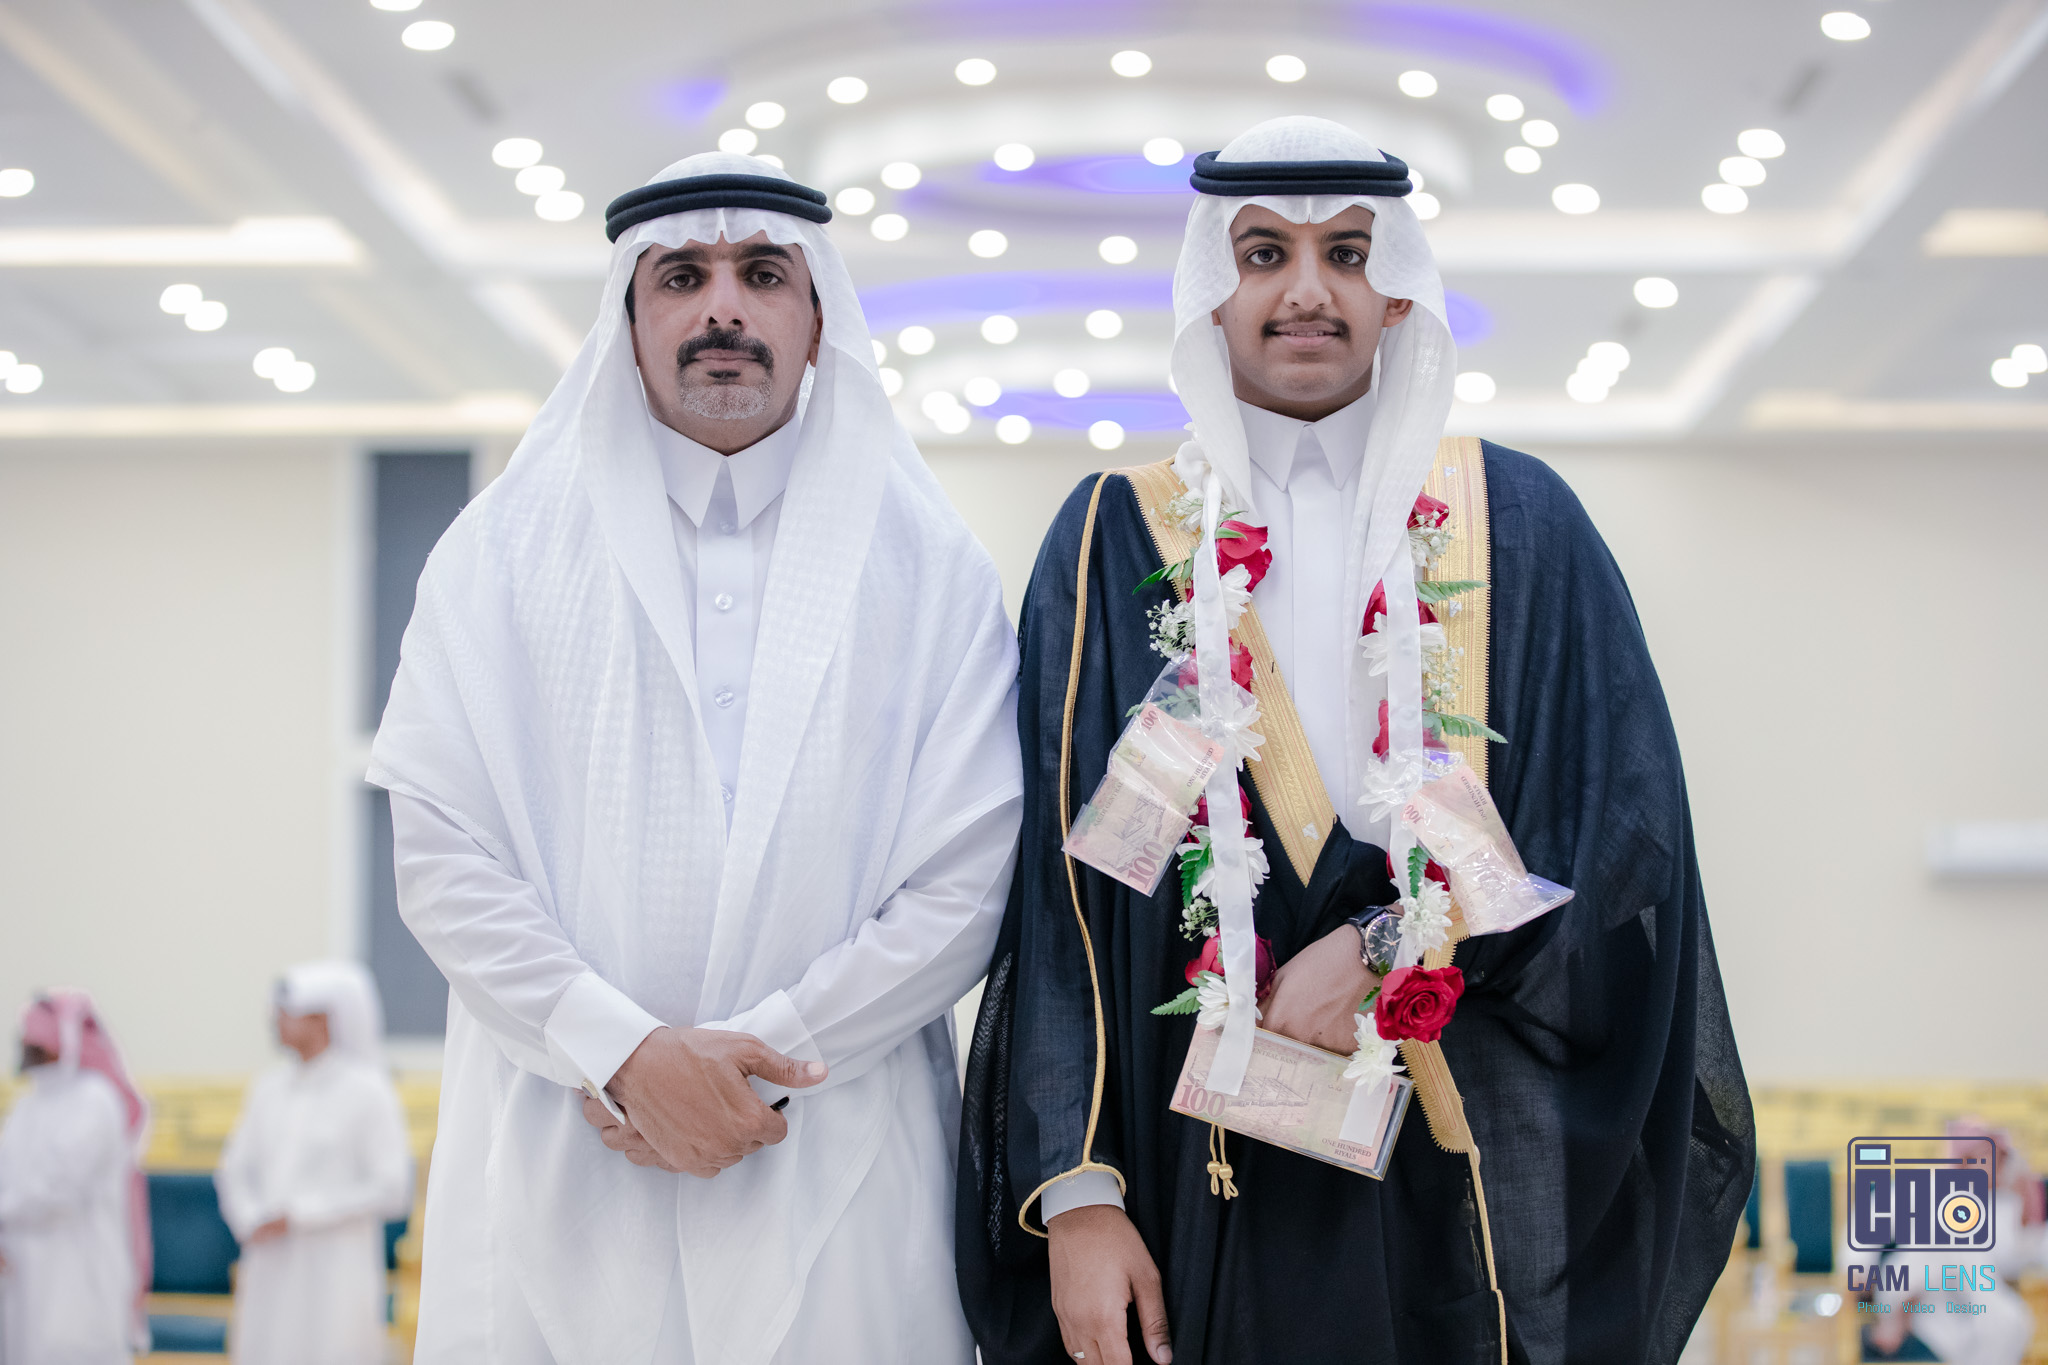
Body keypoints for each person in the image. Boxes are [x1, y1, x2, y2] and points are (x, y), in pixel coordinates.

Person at [957, 116, 1754, 1365]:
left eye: (1346, 252)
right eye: (1262, 254)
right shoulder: (1114, 532)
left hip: (1455, 1148)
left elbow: (1616, 837)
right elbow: (1062, 904)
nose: (1305, 291)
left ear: (1397, 294)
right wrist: (1076, 1191)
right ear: (1210, 292)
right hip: (1187, 1162)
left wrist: (1388, 944)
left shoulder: (1520, 522)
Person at [369, 150, 1023, 1364]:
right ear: (628, 321)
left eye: (762, 274)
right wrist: (618, 1050)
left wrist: (768, 1062)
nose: (723, 306)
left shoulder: (927, 566)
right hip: (568, 1135)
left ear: (816, 320)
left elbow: (968, 877)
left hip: (834, 1145)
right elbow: (441, 852)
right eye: (681, 276)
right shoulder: (499, 553)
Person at [214, 961, 413, 1365]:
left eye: (287, 1011)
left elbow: (393, 1190)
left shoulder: (368, 1091)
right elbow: (234, 1169)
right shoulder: (268, 1088)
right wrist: (250, 1216)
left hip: (335, 1268)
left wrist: (301, 1214)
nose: (275, 1020)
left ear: (322, 1018)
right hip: (270, 1261)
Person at [0, 991, 153, 1364]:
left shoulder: (95, 1101)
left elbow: (57, 1191)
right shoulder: (27, 1105)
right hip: (22, 1280)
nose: (28, 1047)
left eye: (37, 1038)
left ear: (65, 1040)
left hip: (78, 1276)